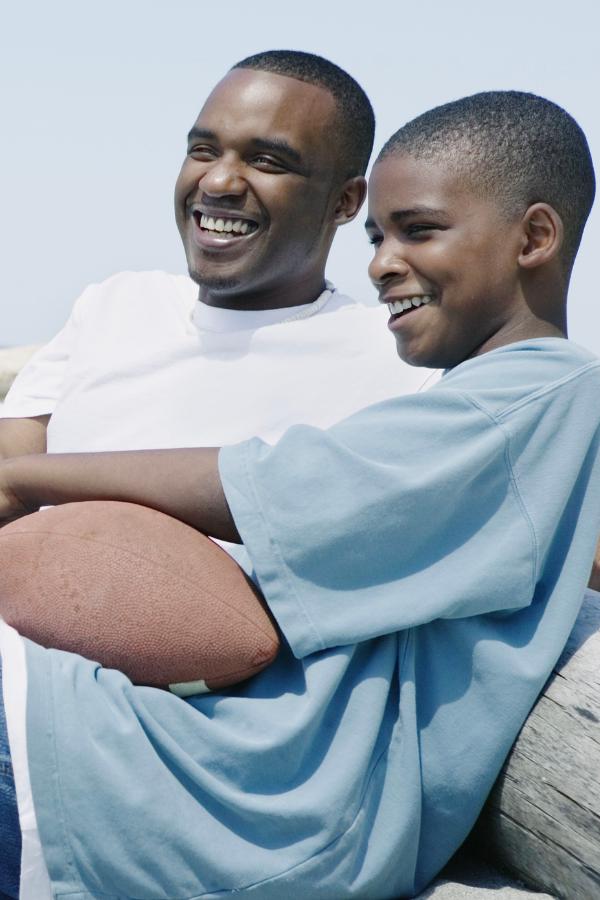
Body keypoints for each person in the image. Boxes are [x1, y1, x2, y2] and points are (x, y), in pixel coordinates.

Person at [1, 89, 599, 900]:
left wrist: (22, 476)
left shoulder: (529, 400)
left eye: (418, 231)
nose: (383, 261)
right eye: (379, 237)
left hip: (249, 806)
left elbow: (263, 487)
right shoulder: (509, 403)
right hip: (244, 792)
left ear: (534, 236)